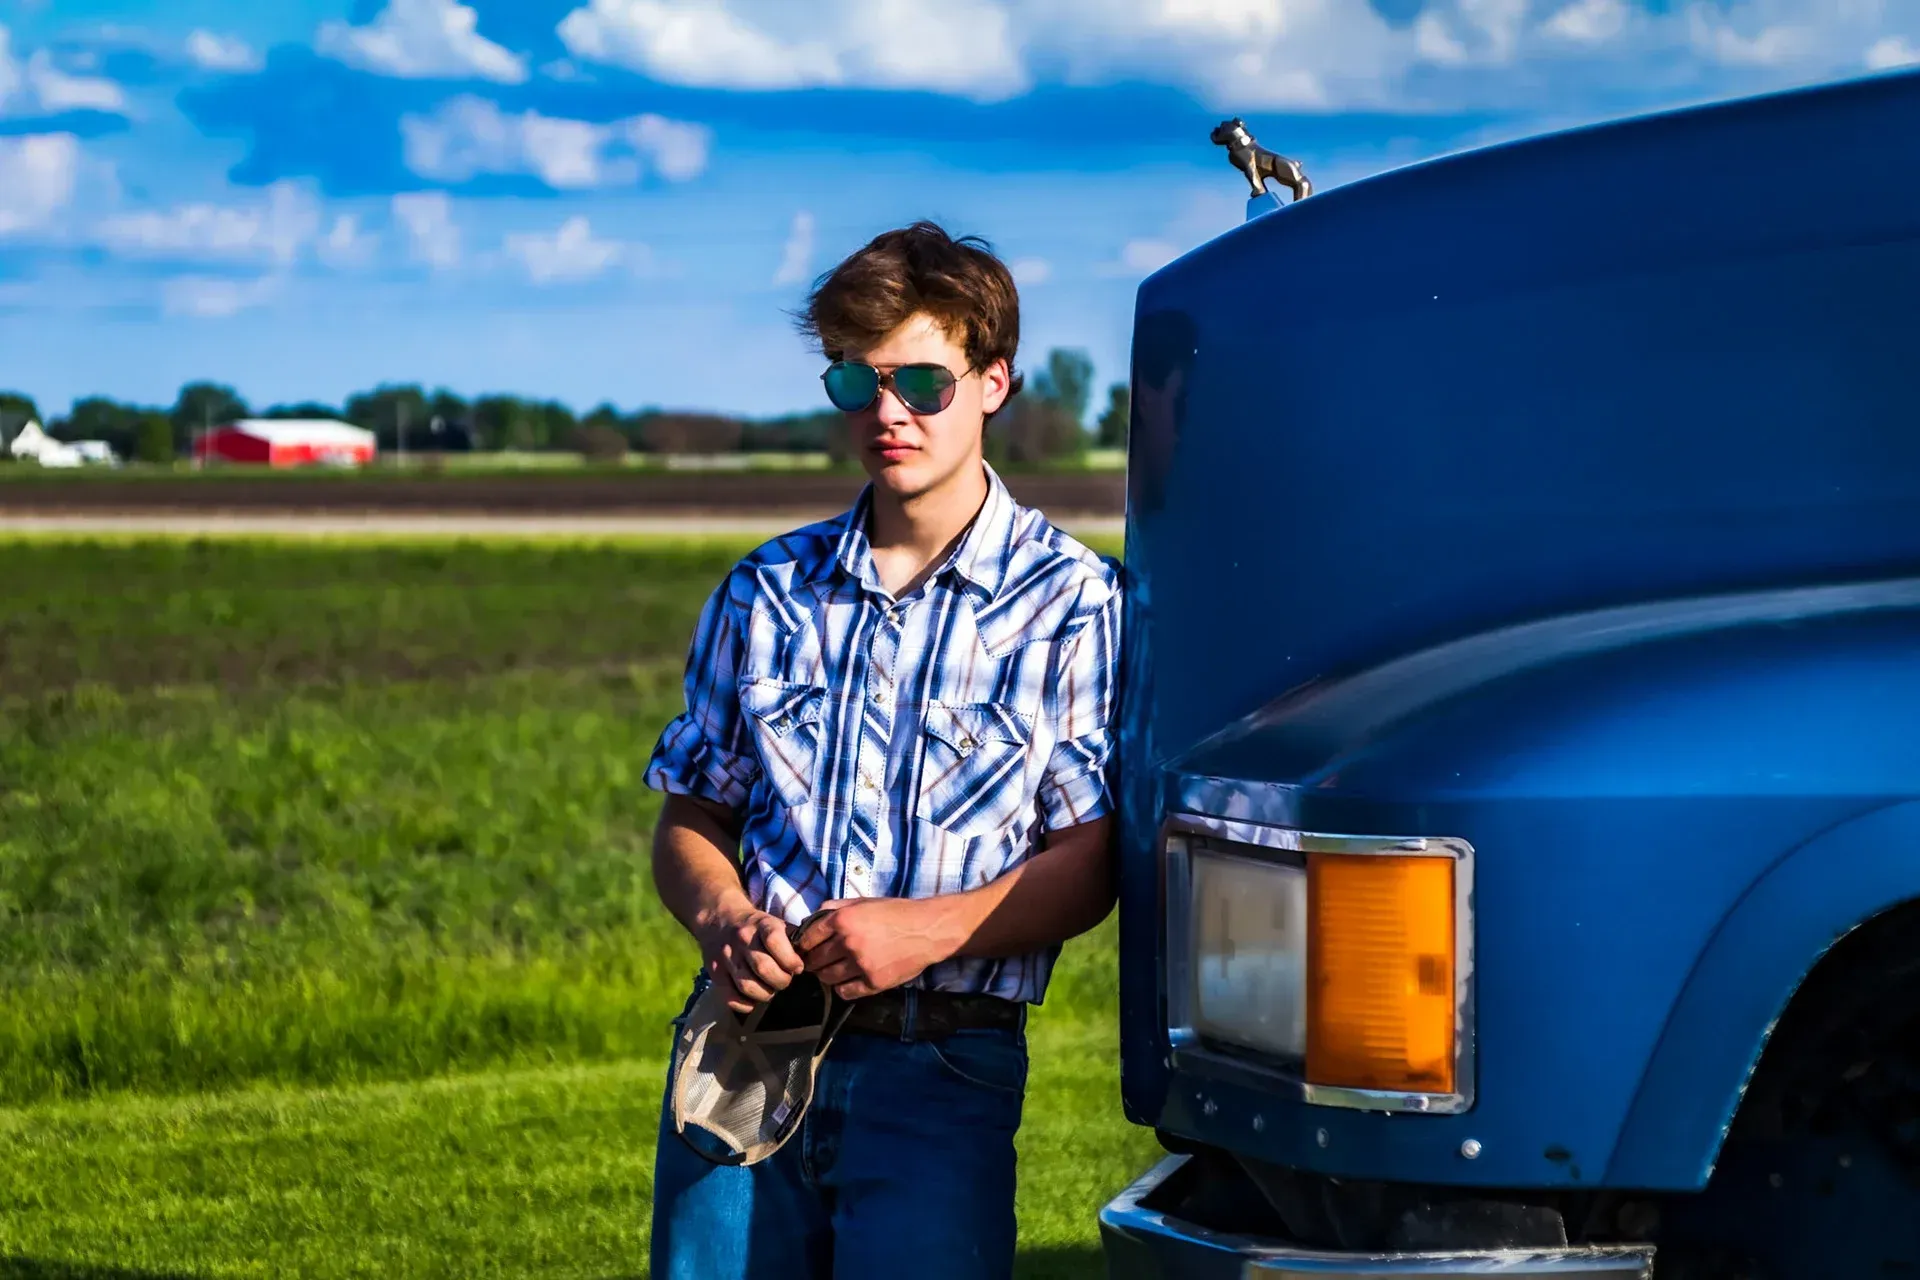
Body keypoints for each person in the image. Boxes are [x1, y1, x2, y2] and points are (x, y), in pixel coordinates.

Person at [643, 220, 1122, 1280]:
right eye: (857, 383)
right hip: (741, 1040)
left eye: (922, 381)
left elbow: (1092, 859)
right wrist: (725, 918)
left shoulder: (1076, 604)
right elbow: (691, 818)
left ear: (994, 380)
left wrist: (924, 932)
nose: (888, 412)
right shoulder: (764, 589)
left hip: (943, 1057)